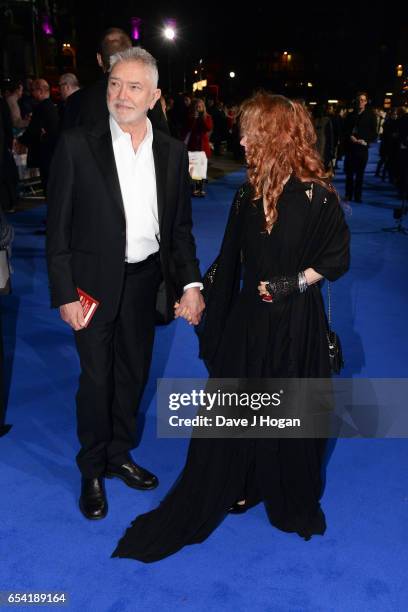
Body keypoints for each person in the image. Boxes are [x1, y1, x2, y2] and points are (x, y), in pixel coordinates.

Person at [112, 92, 350, 563]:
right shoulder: (247, 191)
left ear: (274, 134)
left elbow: (336, 259)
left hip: (295, 321)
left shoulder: (315, 194)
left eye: (249, 130)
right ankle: (242, 479)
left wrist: (291, 284)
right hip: (249, 319)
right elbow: (229, 256)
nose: (239, 138)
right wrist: (195, 295)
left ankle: (277, 486)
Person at [46, 47, 204, 521]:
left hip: (144, 283)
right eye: (115, 83)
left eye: (134, 86)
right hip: (90, 287)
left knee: (133, 373)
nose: (121, 94)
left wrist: (191, 284)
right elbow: (57, 231)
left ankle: (118, 454)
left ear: (154, 96)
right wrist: (64, 294)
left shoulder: (172, 152)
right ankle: (91, 467)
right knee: (96, 379)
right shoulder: (77, 144)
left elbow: (178, 230)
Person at [62, 27, 169, 135]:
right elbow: (163, 143)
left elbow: (63, 147)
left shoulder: (76, 102)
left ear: (99, 59)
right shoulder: (147, 96)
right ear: (131, 55)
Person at [17, 78, 59, 194]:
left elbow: (33, 130)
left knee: (48, 182)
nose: (32, 94)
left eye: (33, 90)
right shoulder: (53, 106)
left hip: (46, 151)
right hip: (54, 150)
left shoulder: (41, 108)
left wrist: (21, 141)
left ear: (40, 91)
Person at [343, 92, 377, 202]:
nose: (360, 102)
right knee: (349, 174)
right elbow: (344, 131)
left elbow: (374, 134)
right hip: (351, 148)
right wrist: (350, 136)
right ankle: (348, 194)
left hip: (362, 148)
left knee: (360, 174)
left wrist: (365, 141)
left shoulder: (371, 116)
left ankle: (358, 196)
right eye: (359, 100)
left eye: (362, 100)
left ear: (366, 102)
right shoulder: (350, 115)